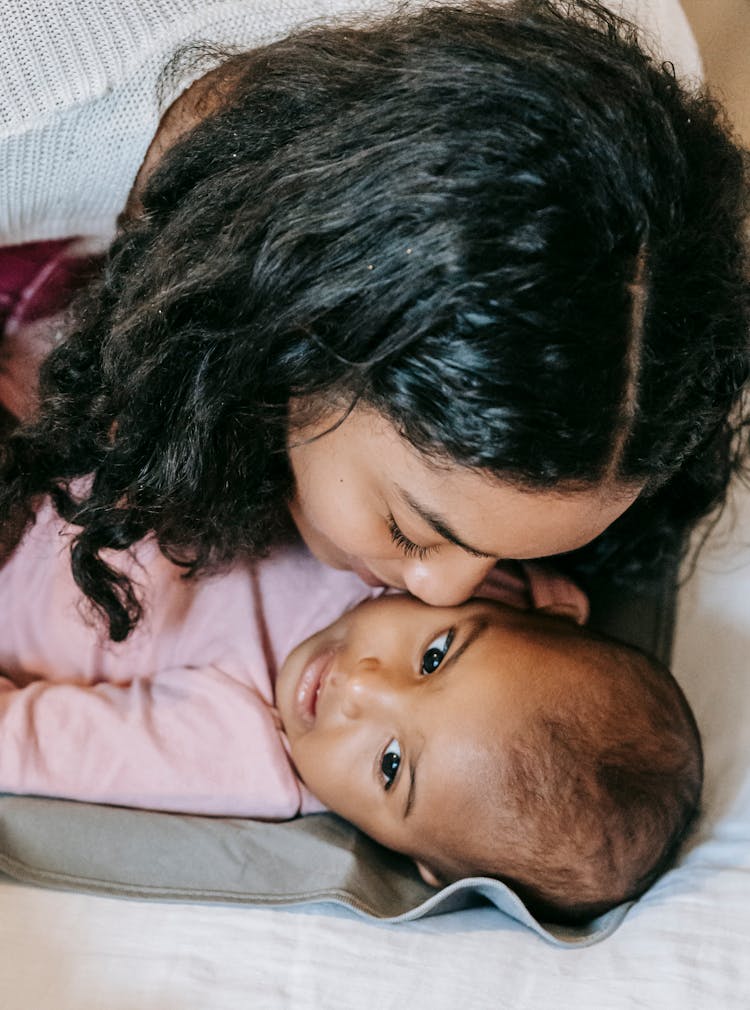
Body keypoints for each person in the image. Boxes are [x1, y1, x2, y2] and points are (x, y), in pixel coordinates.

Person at [0, 0, 747, 641]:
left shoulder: (644, 123)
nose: (442, 594)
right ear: (301, 325)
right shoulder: (31, 106)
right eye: (410, 529)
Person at [0, 496, 701, 926]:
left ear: (423, 862)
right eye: (434, 658)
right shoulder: (476, 567)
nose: (361, 689)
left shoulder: (250, 752)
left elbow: (28, 741)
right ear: (546, 603)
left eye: (391, 765)